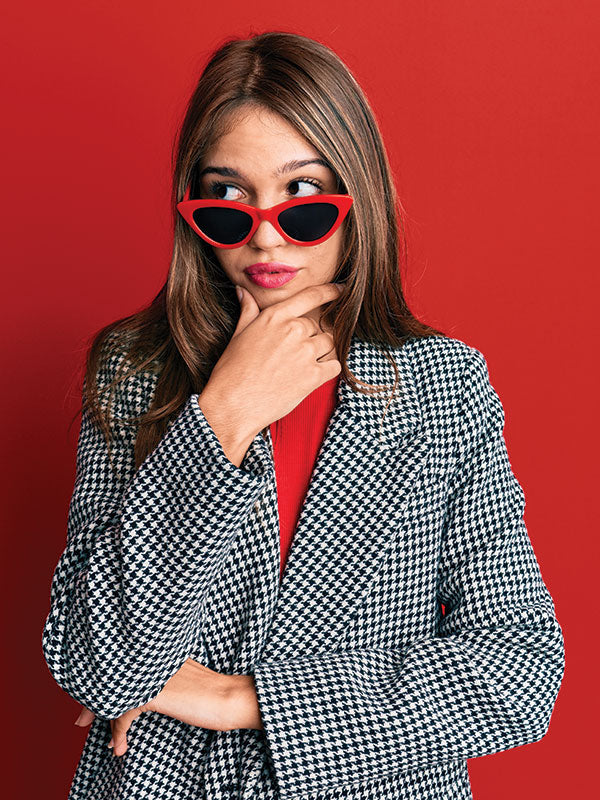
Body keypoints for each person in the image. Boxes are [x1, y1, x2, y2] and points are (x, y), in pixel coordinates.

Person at [41, 30, 565, 800]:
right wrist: (225, 412)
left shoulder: (442, 387)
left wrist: (242, 701)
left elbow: (519, 670)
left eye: (304, 198)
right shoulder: (136, 371)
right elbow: (98, 665)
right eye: (229, 201)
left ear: (358, 201)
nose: (264, 236)